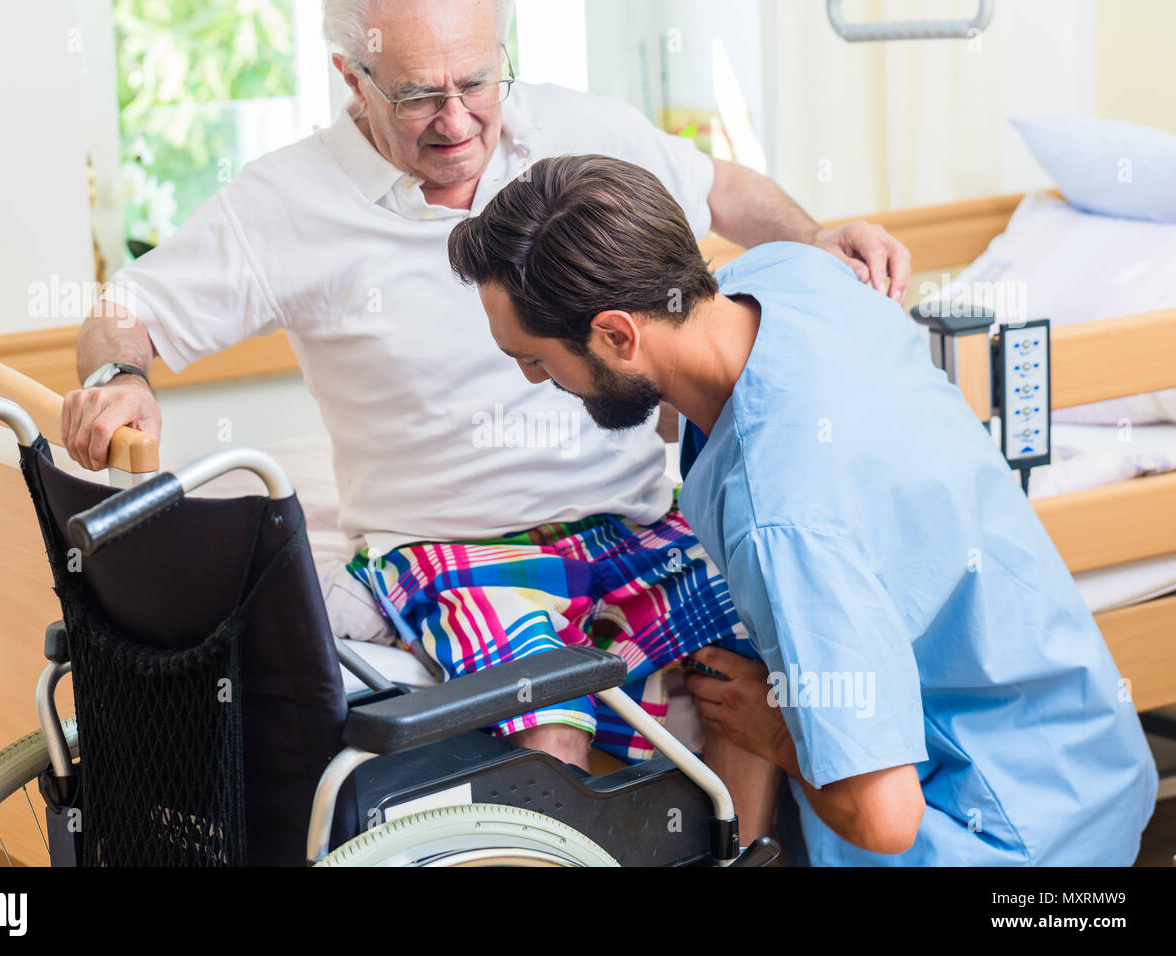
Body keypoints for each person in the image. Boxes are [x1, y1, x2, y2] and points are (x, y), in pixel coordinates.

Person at [62, 0, 908, 837]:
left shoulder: (577, 131)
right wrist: (118, 373)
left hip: (632, 519)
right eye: (418, 96)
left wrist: (816, 237)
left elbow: (718, 188)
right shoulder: (284, 203)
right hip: (449, 542)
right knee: (551, 709)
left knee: (748, 655)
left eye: (476, 80)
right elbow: (125, 311)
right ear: (352, 80)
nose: (457, 119)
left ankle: (739, 856)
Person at [446, 152, 1159, 864]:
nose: (533, 378)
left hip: (1007, 838)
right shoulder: (790, 275)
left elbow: (886, 821)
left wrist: (773, 729)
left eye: (535, 360)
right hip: (1093, 762)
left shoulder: (783, 517)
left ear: (618, 335)